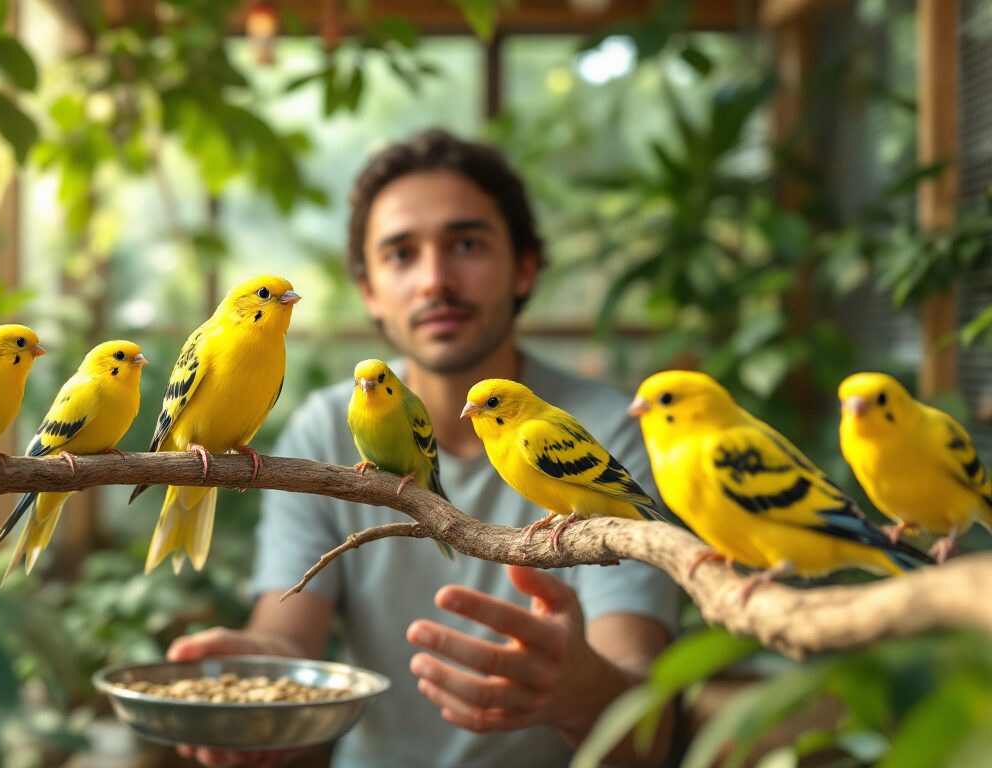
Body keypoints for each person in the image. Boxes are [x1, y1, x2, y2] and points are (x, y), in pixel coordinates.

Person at [169, 129, 682, 768]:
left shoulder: (611, 425)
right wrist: (261, 684)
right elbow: (284, 632)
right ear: (368, 289)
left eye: (466, 244)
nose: (435, 279)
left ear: (525, 267)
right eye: (401, 253)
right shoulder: (324, 427)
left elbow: (646, 729)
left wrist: (584, 692)